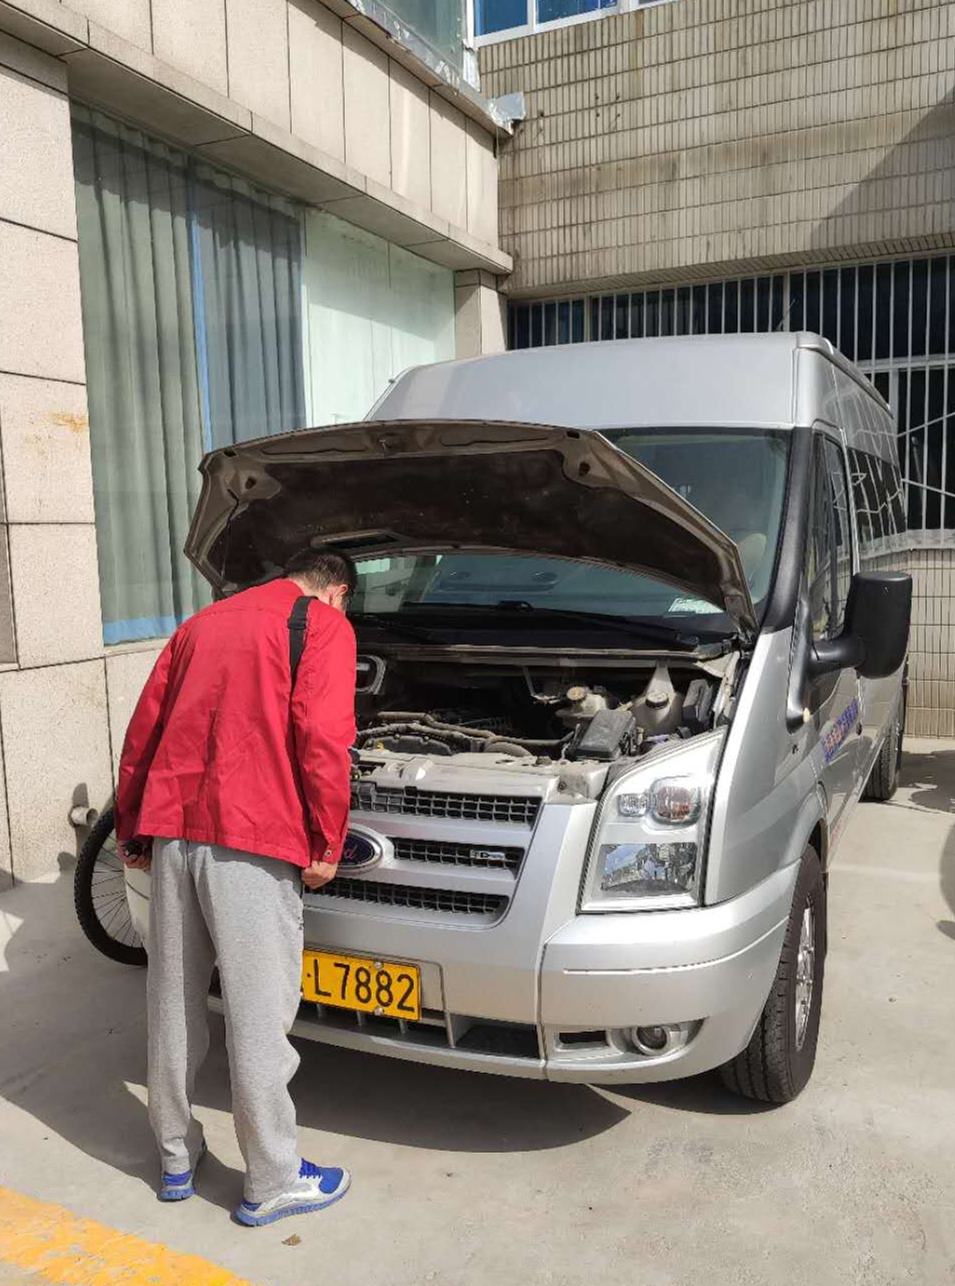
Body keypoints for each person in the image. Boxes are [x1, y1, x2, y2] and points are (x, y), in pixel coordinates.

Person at [116, 549, 358, 1227]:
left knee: (172, 1003)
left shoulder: (203, 623)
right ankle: (273, 1179)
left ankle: (174, 1158)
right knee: (258, 1014)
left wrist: (133, 829)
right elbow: (323, 737)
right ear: (337, 591)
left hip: (174, 833)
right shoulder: (323, 625)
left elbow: (143, 734)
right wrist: (327, 841)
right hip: (255, 837)